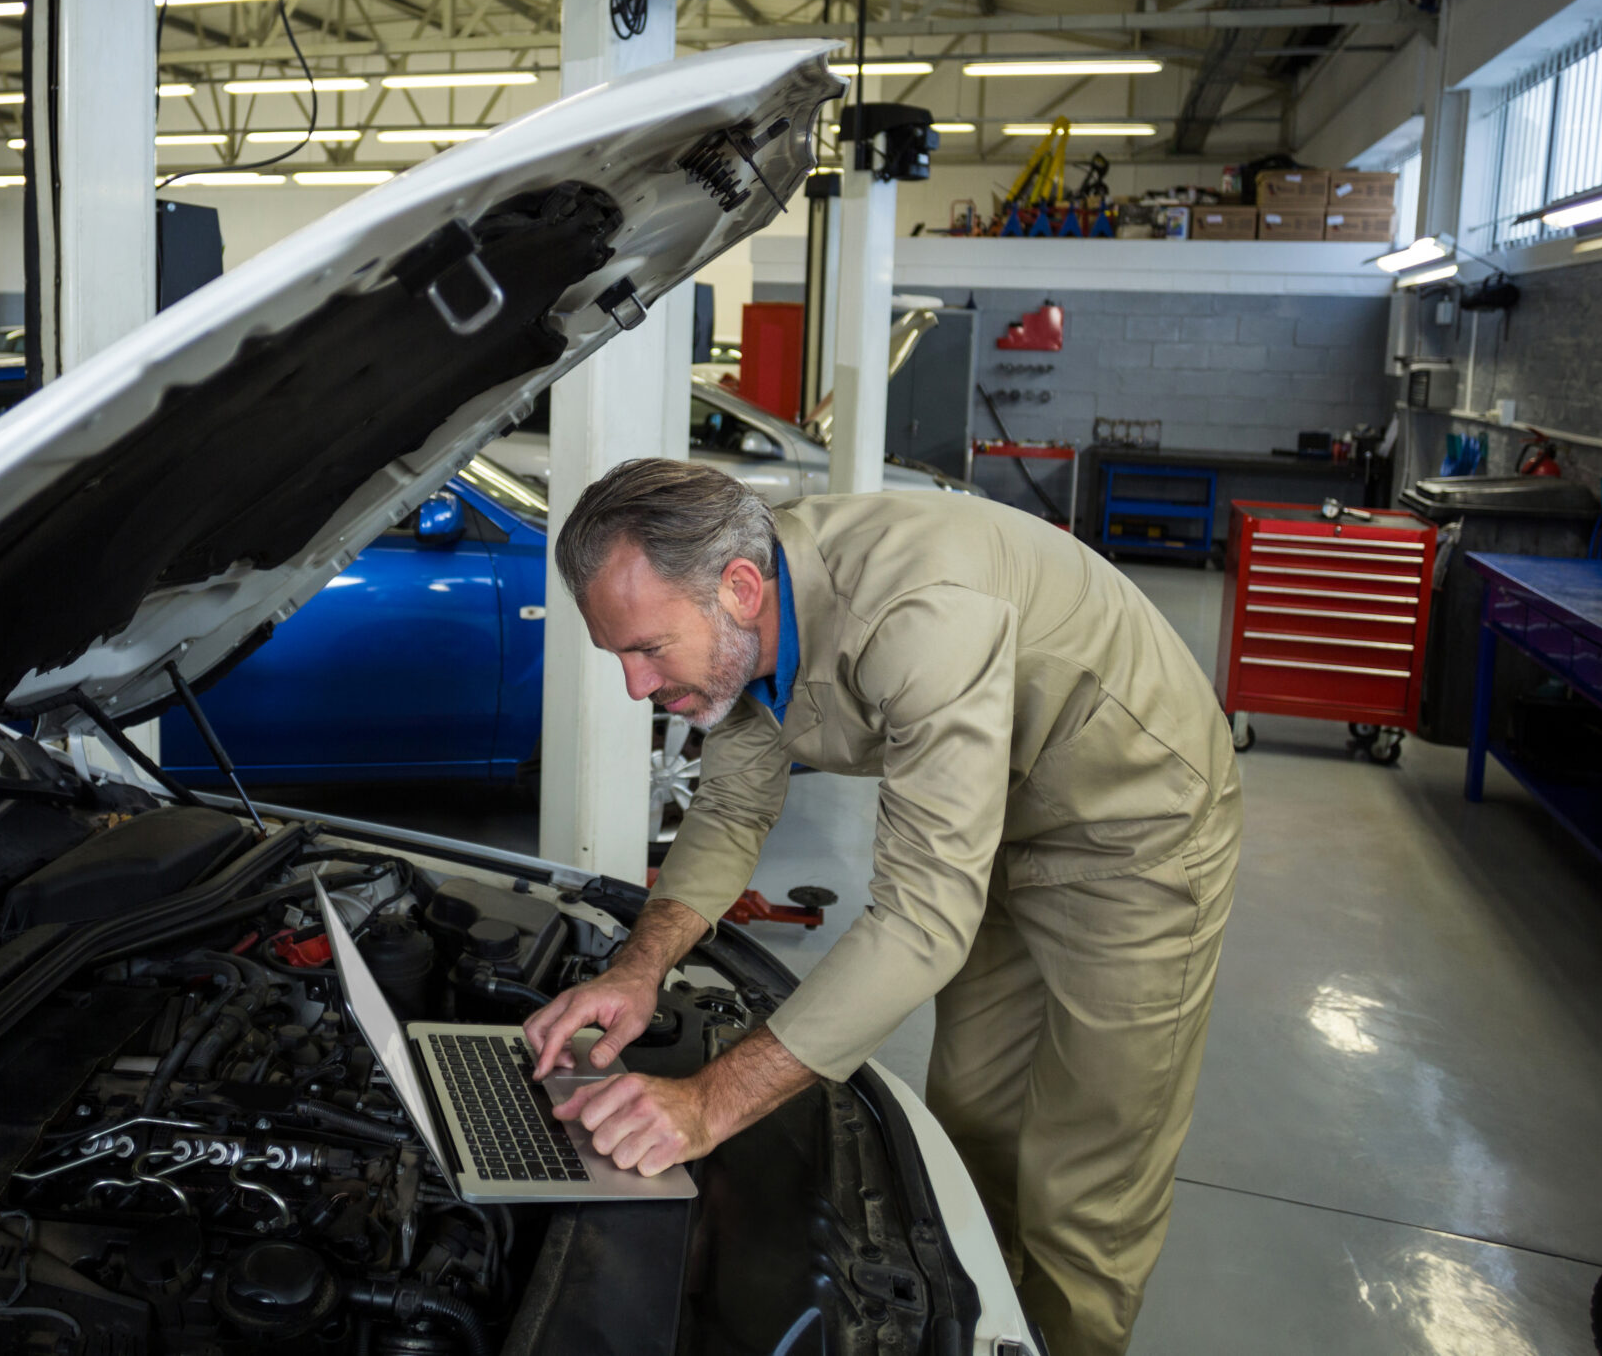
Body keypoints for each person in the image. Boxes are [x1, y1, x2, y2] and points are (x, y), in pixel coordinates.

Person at [522, 458, 1242, 1356]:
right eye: (619, 654)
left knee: (1083, 1183)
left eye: (647, 649)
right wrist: (639, 968)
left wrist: (710, 1102)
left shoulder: (917, 611)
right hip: (999, 818)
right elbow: (732, 807)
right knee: (971, 1120)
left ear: (739, 589)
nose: (636, 687)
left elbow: (921, 919)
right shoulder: (746, 619)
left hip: (1132, 828)